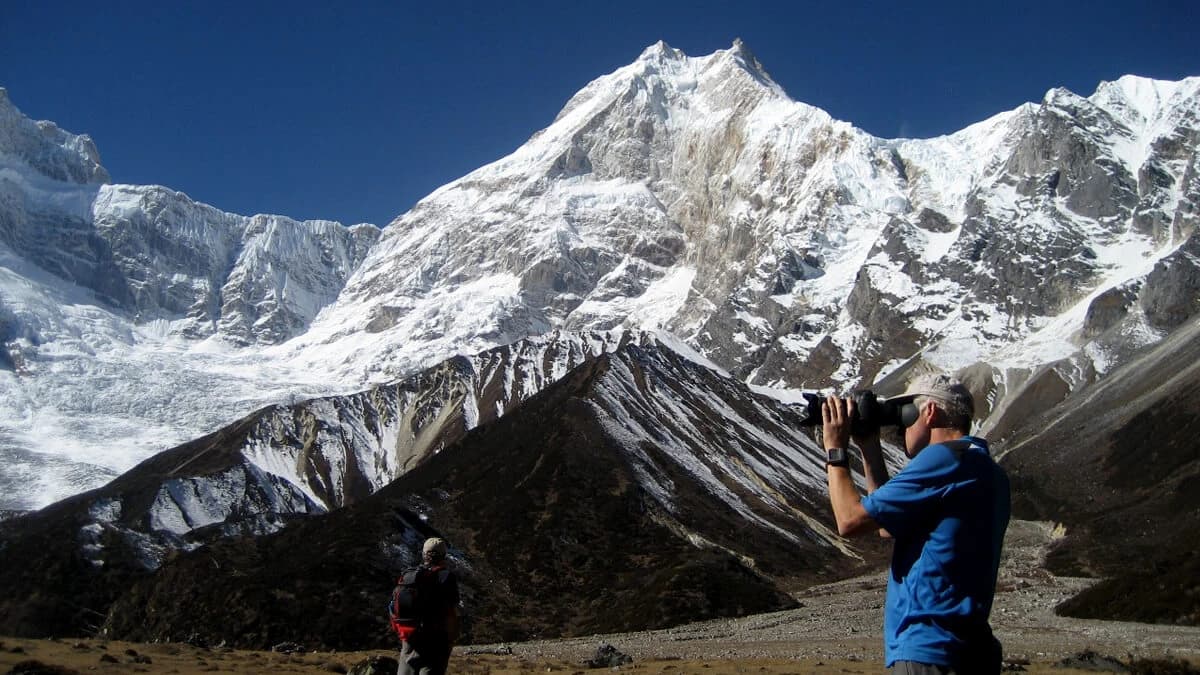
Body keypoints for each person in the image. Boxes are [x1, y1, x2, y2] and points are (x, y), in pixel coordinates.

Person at [821, 373, 1011, 674]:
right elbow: (887, 526)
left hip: (929, 645)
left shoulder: (945, 458)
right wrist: (869, 446)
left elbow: (849, 520)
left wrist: (835, 449)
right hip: (970, 649)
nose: (899, 426)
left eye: (905, 415)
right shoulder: (985, 468)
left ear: (930, 412)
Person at [398, 537, 461, 675]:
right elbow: (453, 607)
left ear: (424, 553)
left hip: (410, 634)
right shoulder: (446, 576)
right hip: (436, 637)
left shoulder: (409, 574)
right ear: (443, 555)